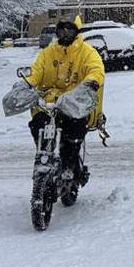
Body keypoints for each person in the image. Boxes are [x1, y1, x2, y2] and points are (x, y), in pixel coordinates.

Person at [24, 16, 105, 184]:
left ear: (77, 32)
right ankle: (44, 152)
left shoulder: (87, 52)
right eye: (62, 30)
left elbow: (96, 69)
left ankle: (69, 164)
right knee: (37, 123)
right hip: (49, 102)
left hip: (75, 100)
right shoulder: (47, 53)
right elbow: (36, 73)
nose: (65, 34)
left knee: (75, 127)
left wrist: (92, 81)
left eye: (70, 29)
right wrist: (26, 83)